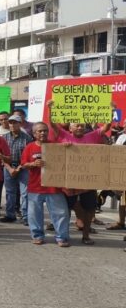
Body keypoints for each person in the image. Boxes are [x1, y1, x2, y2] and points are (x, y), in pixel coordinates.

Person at [47, 100, 112, 245]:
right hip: (67, 182)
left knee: (89, 210)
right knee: (66, 210)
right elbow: (52, 124)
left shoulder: (93, 136)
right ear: (70, 127)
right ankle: (63, 236)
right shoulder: (63, 135)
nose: (80, 127)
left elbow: (107, 127)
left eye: (82, 125)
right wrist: (50, 109)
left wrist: (110, 110)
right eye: (76, 125)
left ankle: (86, 235)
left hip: (88, 182)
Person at [20, 122, 71, 247]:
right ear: (34, 134)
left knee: (61, 213)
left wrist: (68, 147)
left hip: (54, 187)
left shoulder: (55, 146)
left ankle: (62, 237)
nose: (43, 133)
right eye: (40, 131)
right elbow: (23, 164)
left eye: (45, 131)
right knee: (34, 214)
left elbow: (67, 158)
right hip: (35, 187)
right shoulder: (29, 147)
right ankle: (37, 236)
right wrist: (33, 164)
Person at [0, 114, 33, 224]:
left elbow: (28, 156)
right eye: (11, 122)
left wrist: (18, 168)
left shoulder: (27, 138)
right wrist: (9, 169)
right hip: (8, 167)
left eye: (15, 122)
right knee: (10, 192)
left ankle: (26, 216)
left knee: (25, 193)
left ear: (20, 124)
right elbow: (2, 155)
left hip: (23, 167)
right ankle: (10, 215)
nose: (12, 125)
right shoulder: (4, 138)